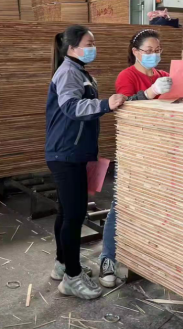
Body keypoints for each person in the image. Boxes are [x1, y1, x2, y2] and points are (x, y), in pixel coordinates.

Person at [99, 28, 183, 288]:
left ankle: (148, 258)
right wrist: (149, 93)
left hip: (162, 150)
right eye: (149, 50)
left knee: (156, 204)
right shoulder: (127, 76)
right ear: (136, 52)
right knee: (121, 203)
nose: (154, 54)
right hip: (135, 149)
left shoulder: (162, 75)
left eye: (158, 50)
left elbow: (176, 101)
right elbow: (123, 108)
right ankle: (107, 259)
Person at [46, 25, 126, 300]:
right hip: (66, 153)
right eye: (89, 43)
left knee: (66, 213)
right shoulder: (69, 72)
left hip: (71, 151)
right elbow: (70, 107)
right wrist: (105, 104)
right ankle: (72, 277)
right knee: (74, 216)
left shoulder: (79, 71)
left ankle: (62, 264)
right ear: (72, 48)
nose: (93, 48)